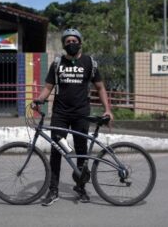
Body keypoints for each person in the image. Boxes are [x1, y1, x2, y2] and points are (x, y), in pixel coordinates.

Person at [33, 28, 113, 206]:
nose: (71, 44)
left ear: (80, 42)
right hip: (60, 114)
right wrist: (39, 99)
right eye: (67, 41)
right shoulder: (57, 63)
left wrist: (108, 109)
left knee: (81, 150)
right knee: (57, 151)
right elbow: (48, 87)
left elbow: (100, 88)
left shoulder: (89, 63)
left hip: (81, 114)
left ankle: (81, 187)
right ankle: (53, 190)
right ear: (63, 45)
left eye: (74, 41)